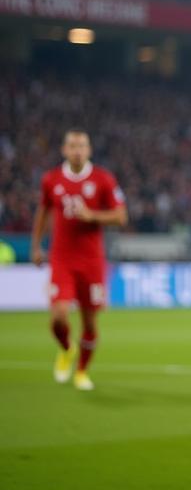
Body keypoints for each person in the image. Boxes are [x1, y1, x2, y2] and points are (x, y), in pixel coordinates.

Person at [30, 129, 127, 391]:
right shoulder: (51, 180)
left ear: (89, 150)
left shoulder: (103, 179)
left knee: (89, 322)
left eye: (82, 146)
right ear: (64, 150)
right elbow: (43, 212)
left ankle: (82, 371)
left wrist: (92, 216)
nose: (77, 150)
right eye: (72, 146)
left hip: (92, 261)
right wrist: (36, 246)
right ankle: (66, 348)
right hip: (61, 258)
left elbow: (120, 216)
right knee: (59, 317)